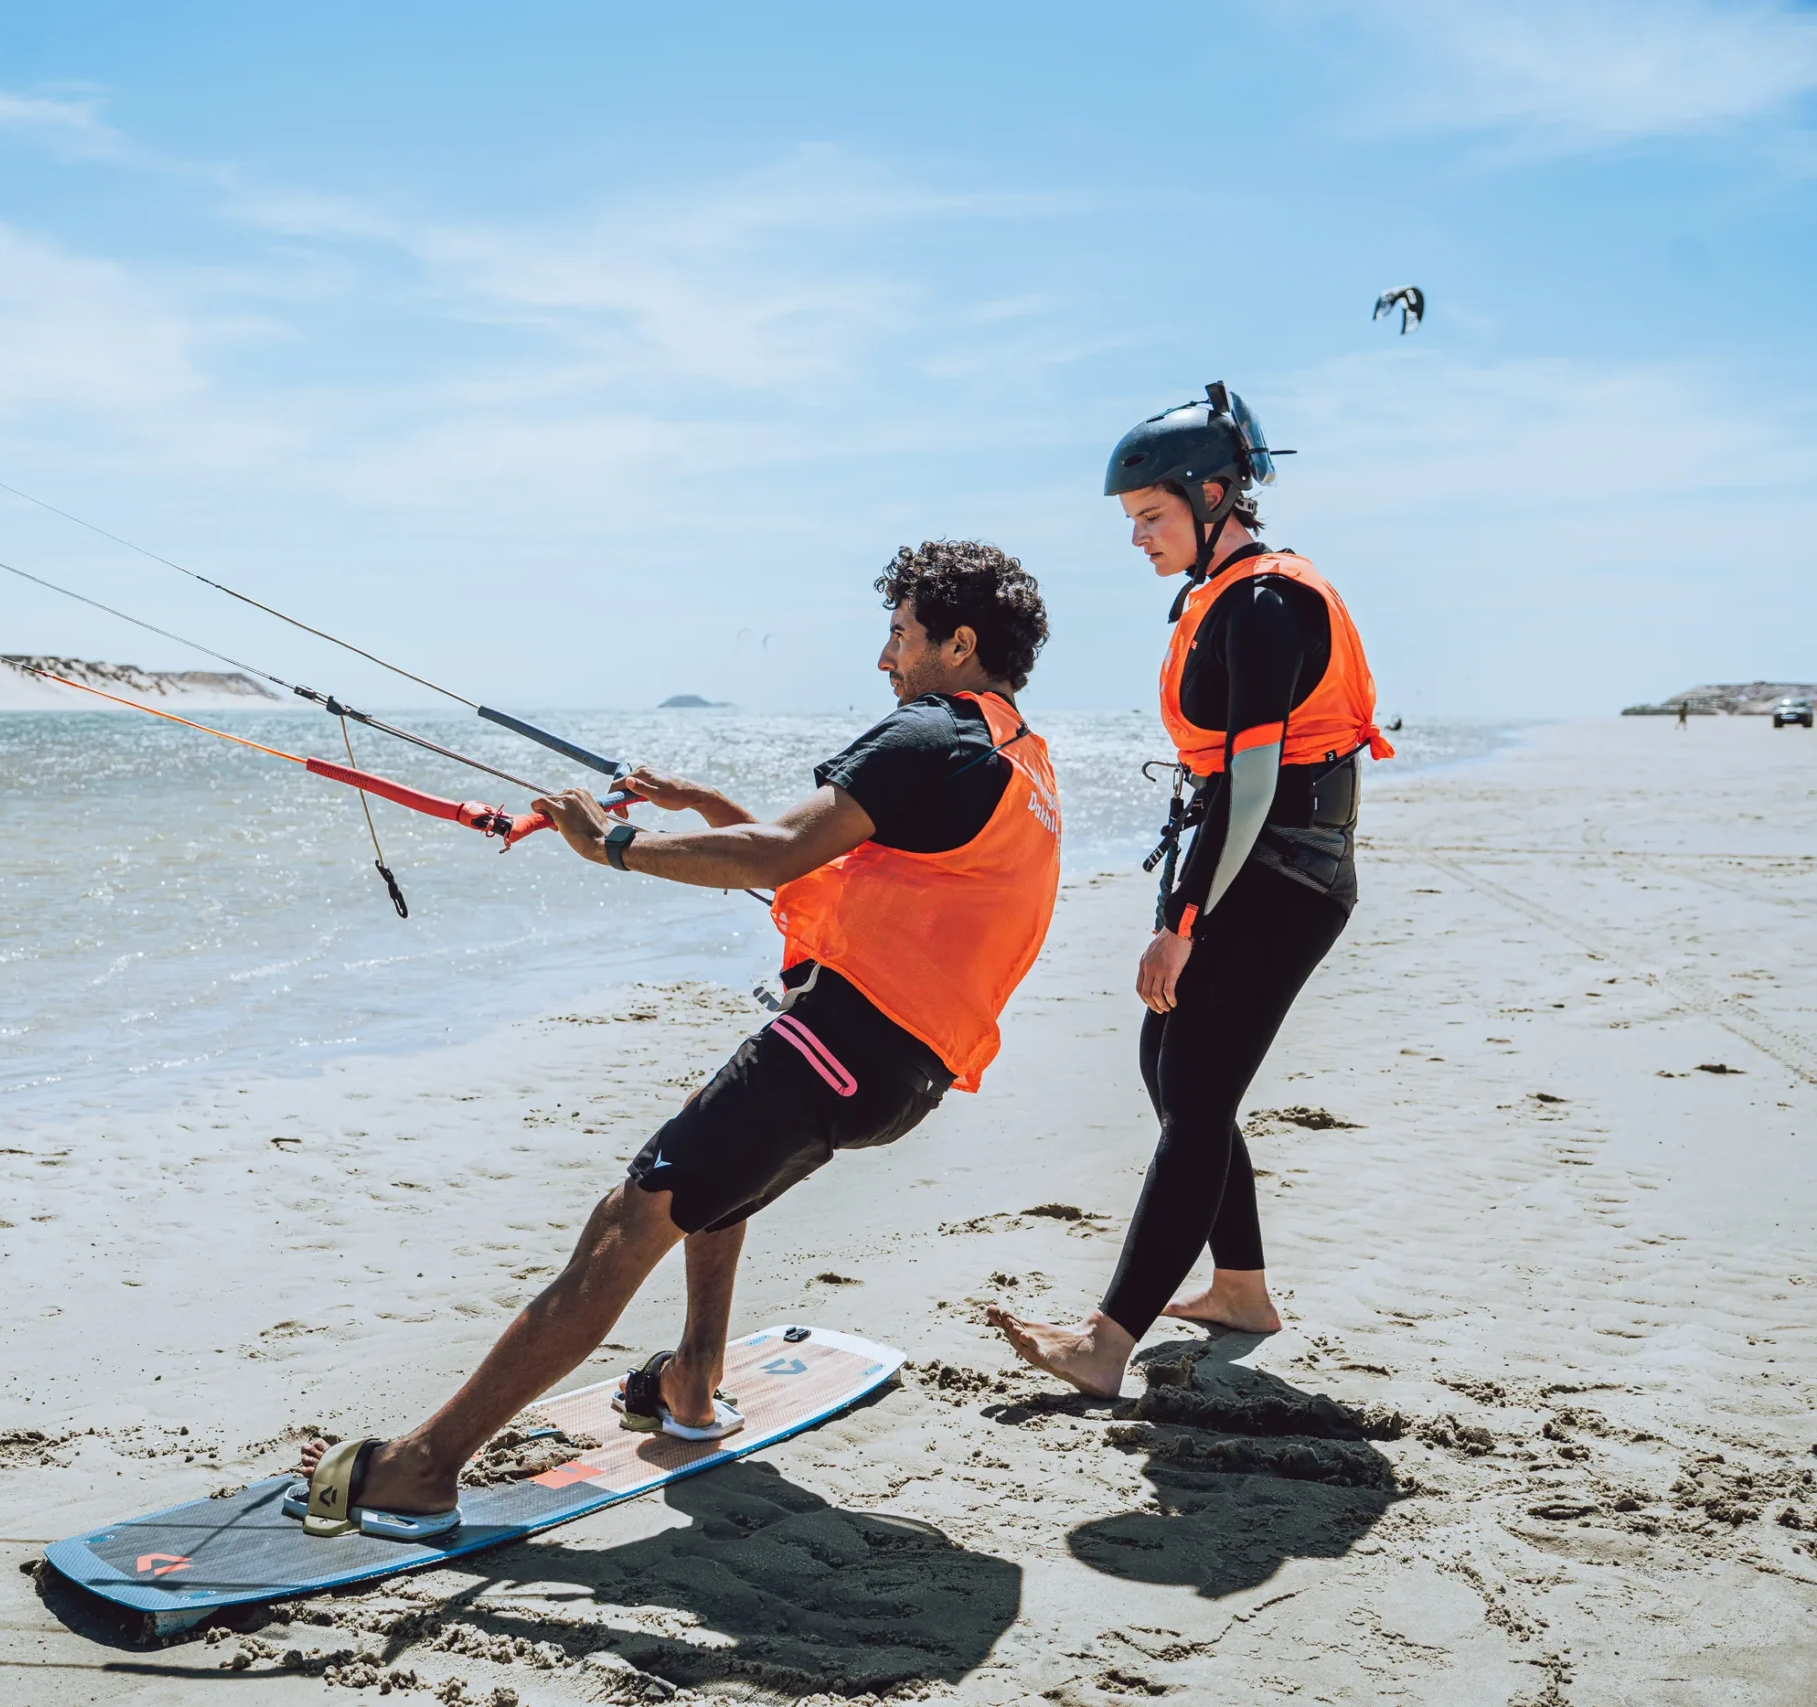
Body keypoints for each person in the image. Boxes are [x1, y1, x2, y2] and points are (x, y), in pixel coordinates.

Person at [290, 540, 1061, 1537]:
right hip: (898, 1075)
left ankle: (425, 1466)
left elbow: (782, 851)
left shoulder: (929, 734)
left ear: (960, 644)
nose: (886, 657)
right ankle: (692, 1381)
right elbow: (805, 864)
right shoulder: (1011, 754)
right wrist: (698, 806)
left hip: (841, 1043)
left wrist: (613, 845)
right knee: (715, 1170)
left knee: (632, 1213)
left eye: (900, 635)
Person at [990, 384, 1392, 1398]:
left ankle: (1104, 1342)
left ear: (1215, 494)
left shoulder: (1262, 603)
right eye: (1132, 523)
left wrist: (1181, 924)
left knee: (1196, 1088)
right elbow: (1227, 786)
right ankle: (1240, 1288)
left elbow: (1251, 784)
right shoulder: (1223, 596)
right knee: (1171, 1066)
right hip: (1256, 859)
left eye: (1151, 518)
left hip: (1286, 869)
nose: (1138, 540)